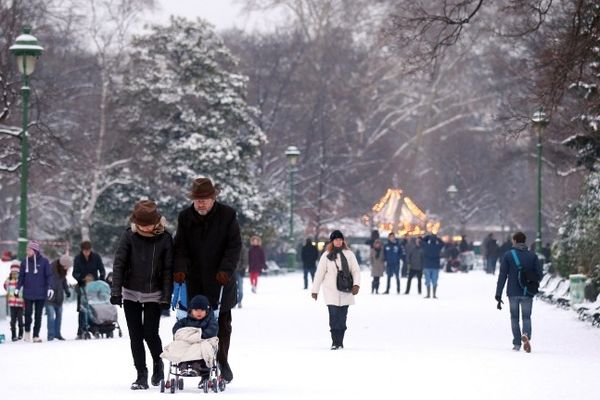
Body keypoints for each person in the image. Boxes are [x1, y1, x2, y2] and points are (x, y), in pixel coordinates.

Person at [173, 177, 242, 384]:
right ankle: (200, 366)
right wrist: (180, 269)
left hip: (220, 280)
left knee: (221, 325)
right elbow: (180, 247)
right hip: (194, 281)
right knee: (196, 325)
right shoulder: (185, 217)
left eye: (205, 199)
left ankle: (222, 360)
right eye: (197, 199)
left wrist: (225, 270)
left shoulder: (228, 215)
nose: (201, 203)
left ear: (213, 198)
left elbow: (234, 247)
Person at [111, 200, 174, 390]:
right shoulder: (129, 235)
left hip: (154, 293)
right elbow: (119, 263)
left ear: (156, 222)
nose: (144, 228)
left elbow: (168, 270)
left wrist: (165, 296)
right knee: (135, 336)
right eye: (141, 224)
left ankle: (158, 364)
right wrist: (116, 291)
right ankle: (141, 374)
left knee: (150, 334)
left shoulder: (165, 238)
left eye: (148, 224)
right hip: (130, 292)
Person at [311, 230, 361, 350]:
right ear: (332, 241)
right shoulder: (326, 255)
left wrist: (356, 285)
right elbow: (319, 273)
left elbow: (356, 270)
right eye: (336, 240)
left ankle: (341, 341)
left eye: (340, 239)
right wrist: (315, 290)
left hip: (346, 290)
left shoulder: (349, 254)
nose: (338, 242)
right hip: (331, 291)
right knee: (333, 317)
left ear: (343, 240)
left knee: (342, 318)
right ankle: (335, 342)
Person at [495, 231, 543, 352]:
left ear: (515, 241)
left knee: (514, 317)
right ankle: (525, 334)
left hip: (512, 292)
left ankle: (517, 343)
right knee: (526, 317)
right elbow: (539, 275)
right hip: (527, 292)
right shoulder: (532, 256)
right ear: (524, 241)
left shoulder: (508, 255)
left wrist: (498, 293)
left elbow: (502, 275)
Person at [165, 294, 219, 387]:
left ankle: (196, 366)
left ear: (207, 310)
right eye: (196, 310)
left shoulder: (210, 321)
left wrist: (200, 335)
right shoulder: (185, 321)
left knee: (203, 347)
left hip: (201, 342)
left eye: (202, 310)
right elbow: (177, 330)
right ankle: (183, 366)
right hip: (187, 344)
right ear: (191, 310)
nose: (199, 312)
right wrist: (184, 335)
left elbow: (213, 330)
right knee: (178, 345)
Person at [16, 240, 52, 342]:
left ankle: (36, 335)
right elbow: (21, 277)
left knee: (38, 315)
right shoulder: (24, 262)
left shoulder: (44, 262)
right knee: (27, 314)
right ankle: (27, 332)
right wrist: (18, 288)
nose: (27, 251)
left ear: (35, 251)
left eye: (29, 249)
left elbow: (49, 276)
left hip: (41, 294)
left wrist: (50, 287)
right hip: (28, 293)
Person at [73, 240, 105, 338]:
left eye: (88, 250)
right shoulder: (77, 259)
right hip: (83, 285)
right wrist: (82, 278)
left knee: (95, 307)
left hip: (95, 286)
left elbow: (102, 269)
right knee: (82, 308)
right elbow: (74, 273)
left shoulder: (96, 257)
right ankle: (81, 330)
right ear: (82, 250)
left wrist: (100, 280)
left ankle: (95, 327)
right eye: (85, 251)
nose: (86, 252)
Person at [46, 254, 72, 341]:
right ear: (63, 264)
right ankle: (51, 335)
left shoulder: (62, 272)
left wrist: (67, 291)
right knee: (51, 316)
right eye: (67, 266)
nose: (68, 268)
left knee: (59, 315)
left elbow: (64, 282)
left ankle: (57, 334)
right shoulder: (51, 268)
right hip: (50, 296)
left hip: (59, 297)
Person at [3, 261, 25, 341]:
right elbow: (5, 286)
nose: (14, 274)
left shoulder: (21, 281)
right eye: (13, 272)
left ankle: (20, 333)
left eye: (16, 272)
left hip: (20, 304)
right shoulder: (9, 280)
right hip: (12, 304)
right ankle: (13, 335)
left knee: (20, 319)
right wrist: (7, 282)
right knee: (13, 320)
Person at [421, 233, 445, 299]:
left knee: (427, 280)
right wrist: (437, 238)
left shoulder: (426, 246)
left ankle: (428, 294)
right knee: (435, 280)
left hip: (427, 265)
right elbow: (443, 243)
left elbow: (422, 241)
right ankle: (434, 294)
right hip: (435, 266)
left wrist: (427, 237)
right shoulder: (438, 247)